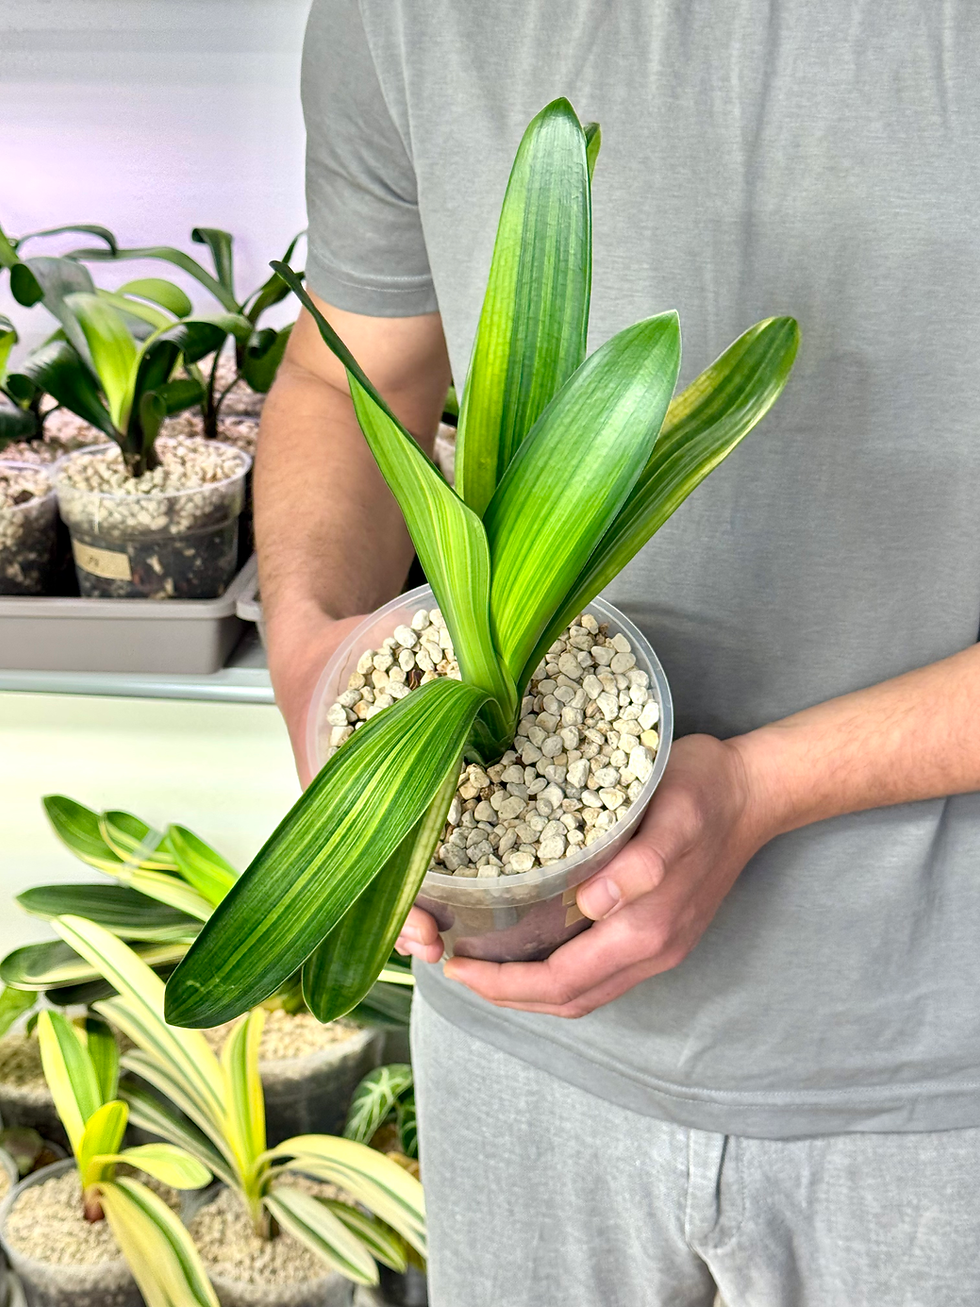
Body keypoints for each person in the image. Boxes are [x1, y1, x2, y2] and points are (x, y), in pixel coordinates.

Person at [255, 2, 980, 1303]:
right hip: (510, 1054)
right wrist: (316, 665)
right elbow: (343, 377)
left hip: (933, 1088)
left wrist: (764, 788)